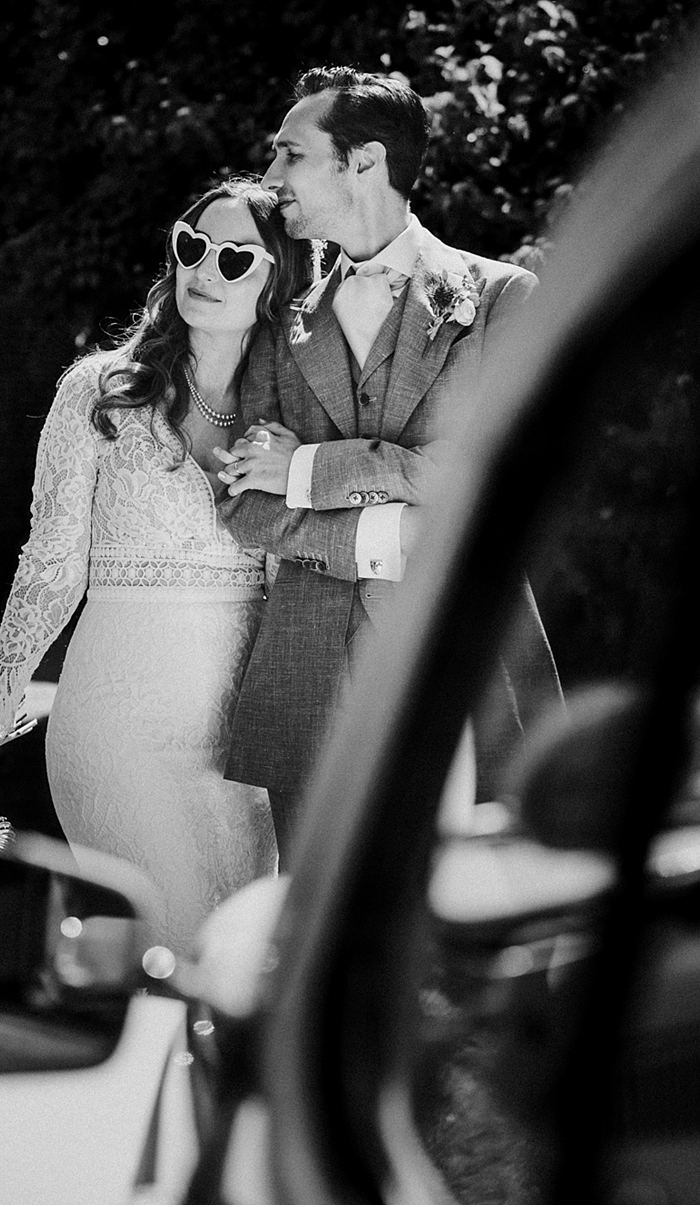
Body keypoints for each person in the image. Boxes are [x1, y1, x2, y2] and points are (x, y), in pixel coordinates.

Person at [0, 178, 312, 950]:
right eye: (192, 246)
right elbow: (51, 564)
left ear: (277, 279)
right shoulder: (100, 392)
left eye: (235, 258)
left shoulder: (294, 418)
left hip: (240, 749)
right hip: (116, 728)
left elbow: (300, 583)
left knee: (235, 958)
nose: (205, 269)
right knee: (174, 943)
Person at [215, 67, 560, 854]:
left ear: (362, 162)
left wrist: (307, 470)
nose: (270, 181)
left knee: (479, 911)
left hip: (465, 660)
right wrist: (397, 535)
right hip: (307, 674)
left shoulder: (501, 299)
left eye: (289, 154)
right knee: (315, 928)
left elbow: (495, 474)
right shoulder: (279, 323)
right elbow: (243, 500)